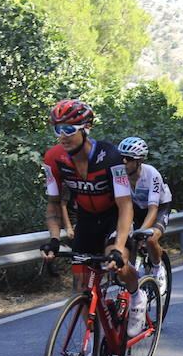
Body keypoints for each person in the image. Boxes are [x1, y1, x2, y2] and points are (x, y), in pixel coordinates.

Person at [40, 99, 145, 337]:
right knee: (79, 286)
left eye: (69, 129)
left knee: (116, 262)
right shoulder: (53, 159)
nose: (62, 136)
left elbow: (125, 204)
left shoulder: (111, 157)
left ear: (86, 128)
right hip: (87, 219)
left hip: (114, 216)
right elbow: (54, 205)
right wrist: (54, 240)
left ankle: (137, 295)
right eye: (57, 129)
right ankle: (95, 340)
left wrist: (118, 247)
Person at [118, 136, 172, 294]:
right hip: (137, 208)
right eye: (121, 158)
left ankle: (157, 269)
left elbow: (153, 209)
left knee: (149, 238)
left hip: (159, 207)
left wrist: (141, 232)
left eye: (128, 159)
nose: (124, 162)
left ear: (139, 160)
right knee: (127, 240)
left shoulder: (151, 174)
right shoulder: (120, 176)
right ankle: (136, 273)